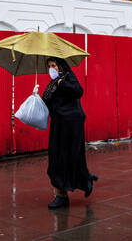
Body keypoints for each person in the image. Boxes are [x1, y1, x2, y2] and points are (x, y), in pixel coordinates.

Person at [41, 56, 97, 209]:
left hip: (72, 123)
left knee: (71, 155)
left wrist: (62, 83)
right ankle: (70, 189)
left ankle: (72, 188)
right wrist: (37, 98)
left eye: (54, 65)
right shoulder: (52, 84)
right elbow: (47, 101)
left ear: (61, 66)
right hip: (58, 124)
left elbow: (78, 91)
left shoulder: (67, 77)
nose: (52, 69)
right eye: (49, 66)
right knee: (56, 157)